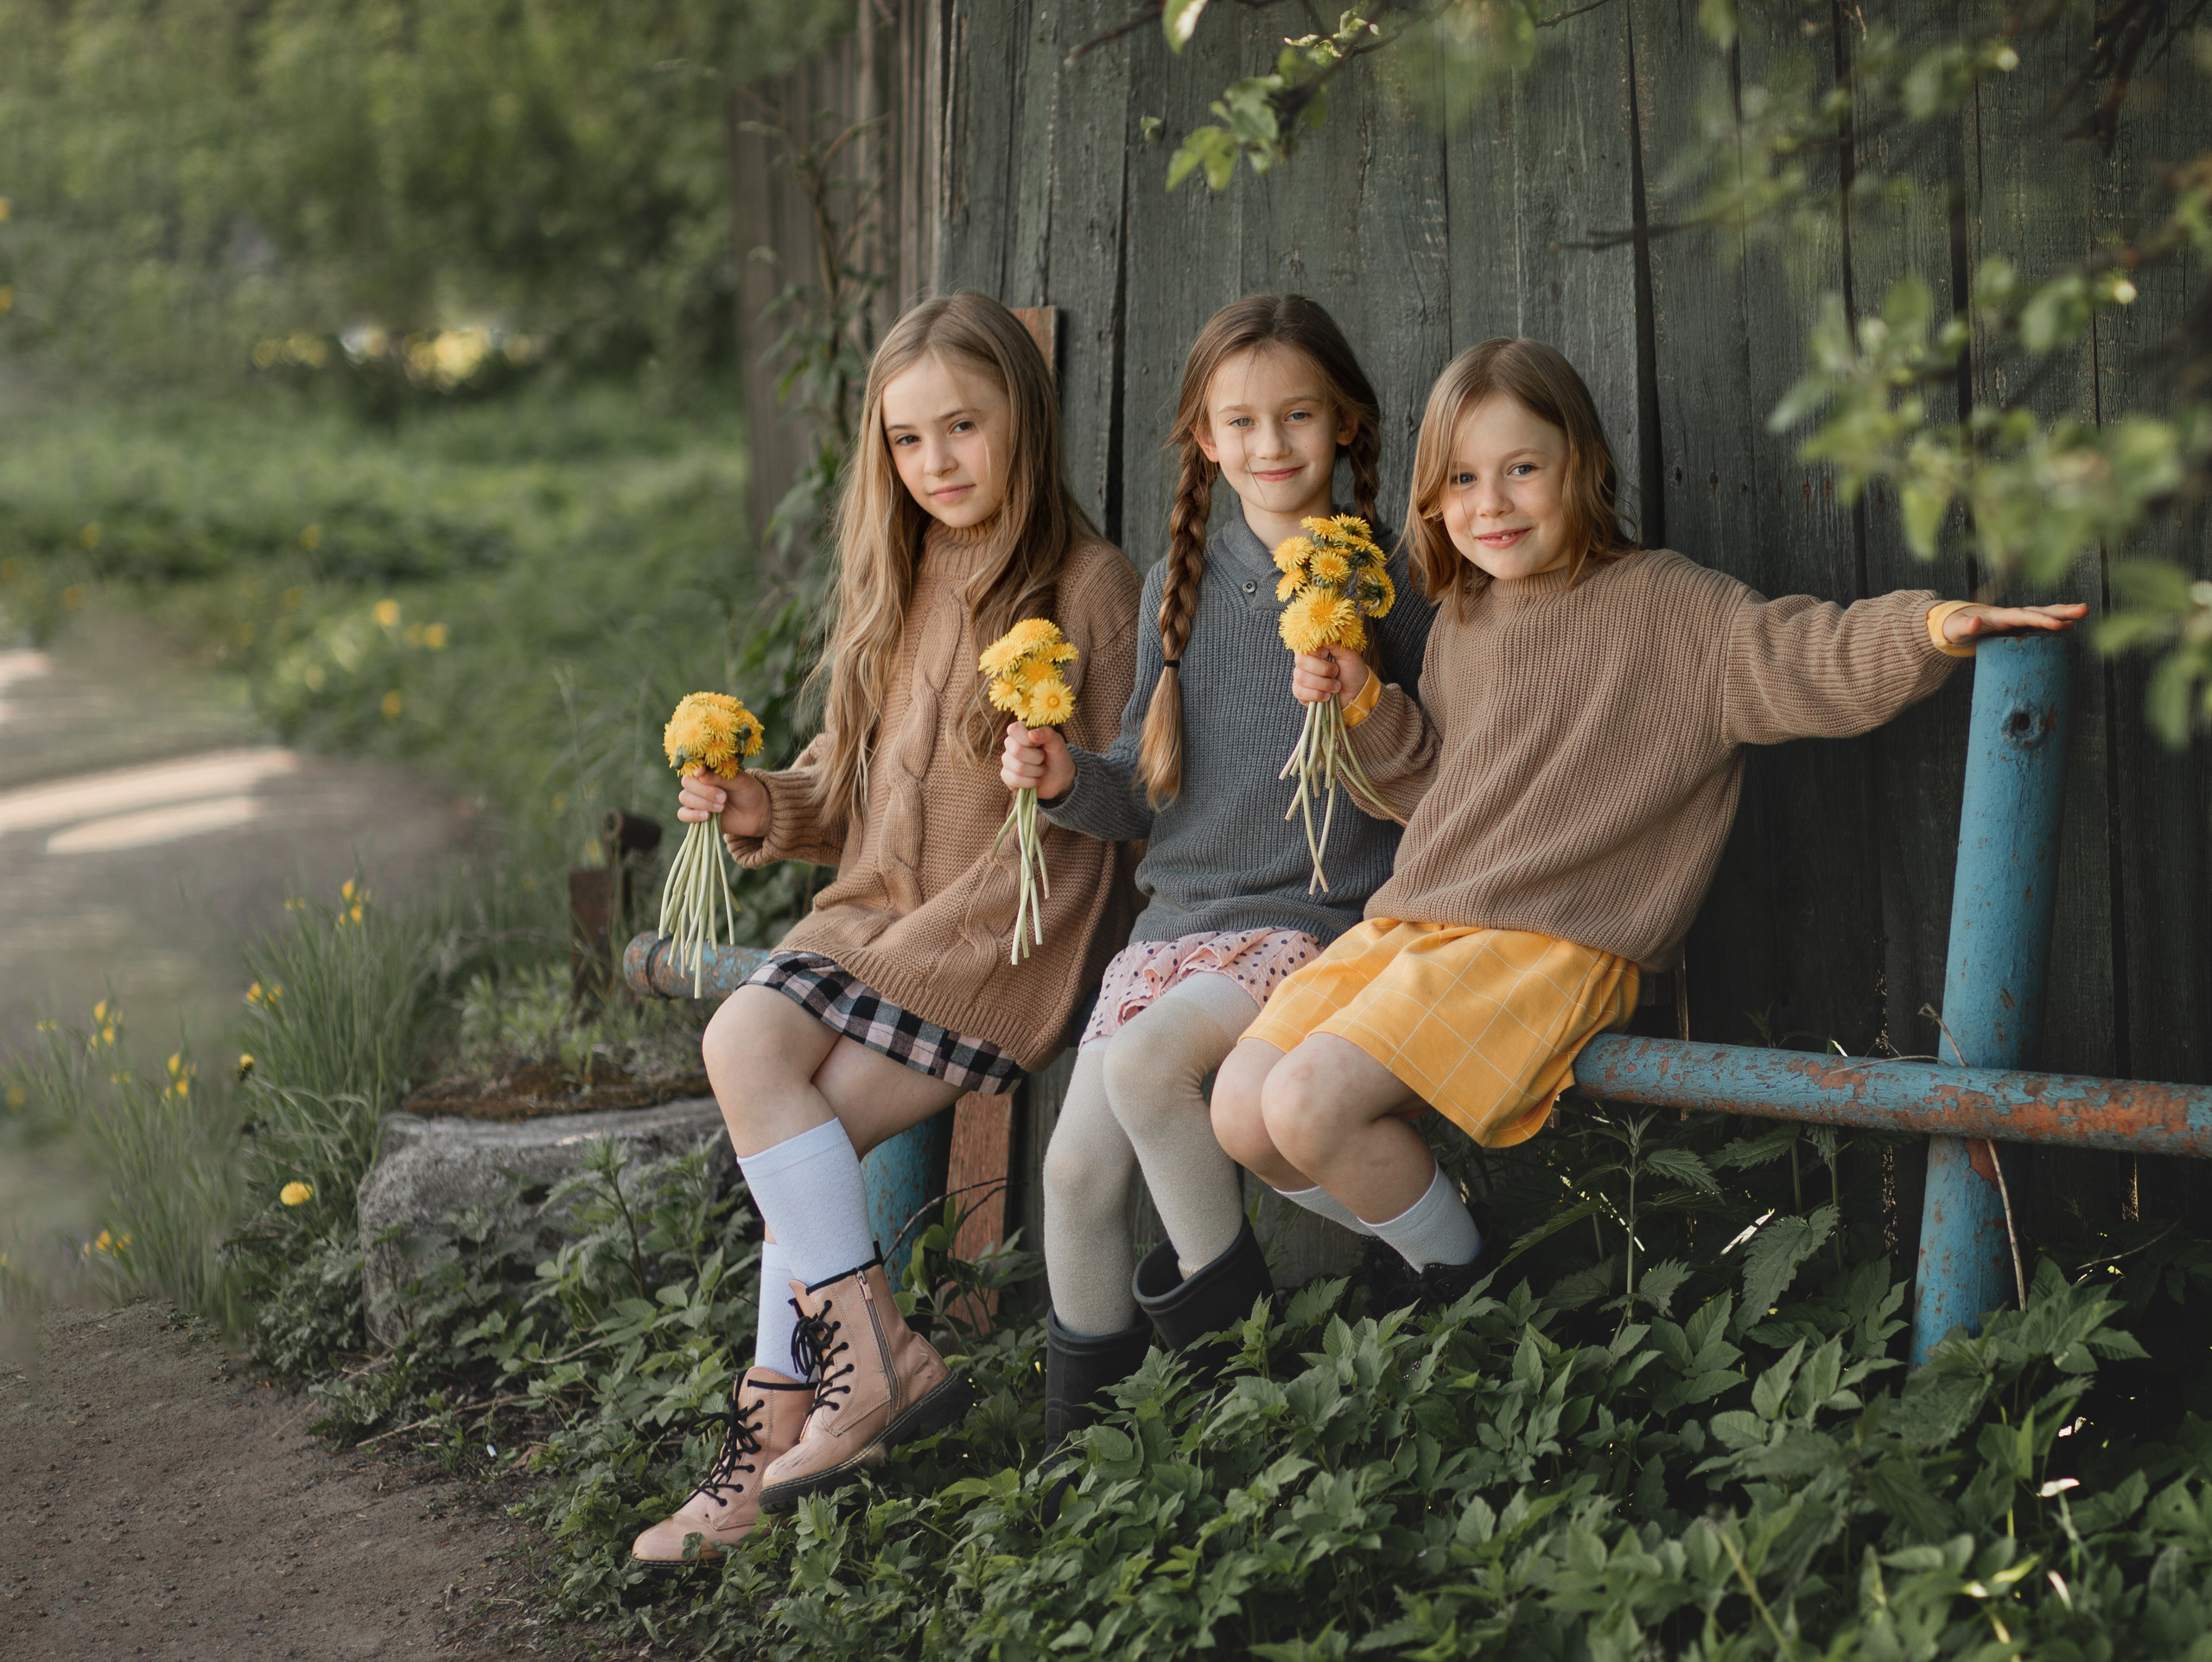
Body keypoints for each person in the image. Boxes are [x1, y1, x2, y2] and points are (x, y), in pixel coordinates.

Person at [1210, 335, 2085, 1308]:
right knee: (1243, 1114)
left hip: (1552, 937)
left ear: (1580, 467)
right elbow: (1444, 793)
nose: (1489, 504)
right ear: (1431, 496)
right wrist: (1364, 699)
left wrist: (1931, 627)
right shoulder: (1464, 622)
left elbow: (1802, 655)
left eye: (1521, 469)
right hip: (1422, 920)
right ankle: (1431, 1251)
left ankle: (1467, 1293)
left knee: (1303, 1102)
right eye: (1461, 478)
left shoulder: (1668, 607)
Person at [630, 293, 1141, 1569]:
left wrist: (1065, 770)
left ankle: (791, 1429)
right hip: (874, 926)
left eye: (963, 428)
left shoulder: (1090, 587)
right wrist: (766, 803)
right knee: (789, 1145)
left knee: (763, 1090)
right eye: (909, 443)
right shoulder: (901, 583)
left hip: (999, 940)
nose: (939, 465)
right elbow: (849, 782)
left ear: (1023, 420)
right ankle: (857, 1381)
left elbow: (1137, 793)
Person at [999, 295, 1433, 1447]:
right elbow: (1145, 789)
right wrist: (1058, 779)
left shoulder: (1390, 578)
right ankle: (1082, 1455)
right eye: (1239, 422)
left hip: (1312, 911)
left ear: (1345, 423)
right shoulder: (1172, 593)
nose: (1271, 442)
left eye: (1298, 415)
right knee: (1075, 1177)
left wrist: (1366, 691)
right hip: (1176, 927)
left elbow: (1435, 766)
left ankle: (1244, 1386)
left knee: (1148, 1066)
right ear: (1204, 437)